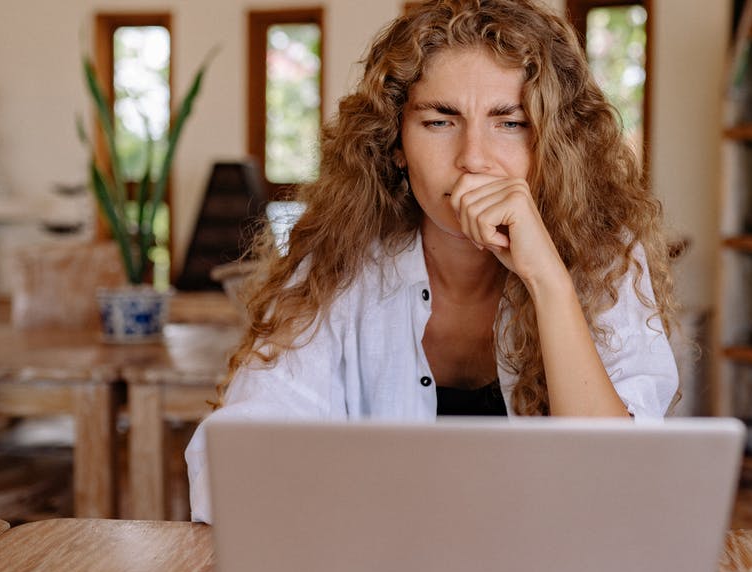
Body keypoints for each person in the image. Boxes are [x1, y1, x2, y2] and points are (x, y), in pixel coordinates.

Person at [185, 0, 679, 523]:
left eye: (509, 123)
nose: (473, 157)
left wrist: (547, 279)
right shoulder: (339, 262)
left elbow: (621, 493)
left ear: (551, 144)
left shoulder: (607, 258)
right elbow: (229, 471)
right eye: (440, 121)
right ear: (396, 142)